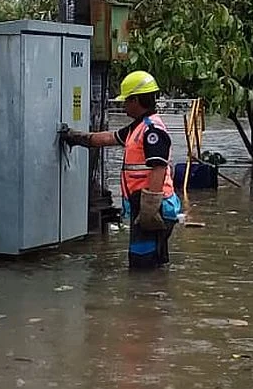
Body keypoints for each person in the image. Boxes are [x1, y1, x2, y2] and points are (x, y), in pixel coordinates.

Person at [60, 70, 182, 269]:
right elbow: (108, 138)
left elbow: (158, 168)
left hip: (153, 208)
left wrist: (149, 208)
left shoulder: (152, 130)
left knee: (141, 266)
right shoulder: (137, 127)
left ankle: (148, 289)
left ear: (136, 100)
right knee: (151, 264)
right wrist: (76, 137)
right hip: (145, 206)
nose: (124, 105)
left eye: (126, 101)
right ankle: (157, 287)